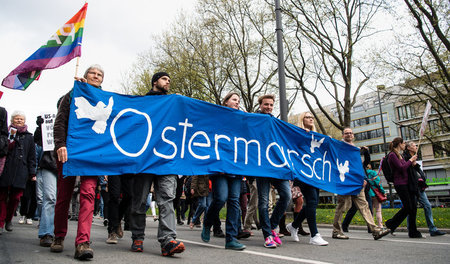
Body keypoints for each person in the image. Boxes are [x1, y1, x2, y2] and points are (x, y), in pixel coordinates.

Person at [51, 65, 105, 260]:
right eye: (93, 73)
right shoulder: (72, 95)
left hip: (91, 156)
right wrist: (60, 145)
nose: (96, 76)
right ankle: (58, 236)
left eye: (100, 75)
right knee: (64, 196)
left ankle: (82, 242)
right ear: (85, 76)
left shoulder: (105, 99)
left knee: (88, 195)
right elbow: (60, 120)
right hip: (69, 151)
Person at [128, 72, 185, 256]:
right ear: (155, 82)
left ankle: (168, 240)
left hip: (166, 159)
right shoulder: (142, 102)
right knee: (140, 199)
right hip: (145, 160)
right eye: (164, 79)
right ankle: (137, 237)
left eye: (169, 79)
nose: (168, 82)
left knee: (167, 199)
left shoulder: (173, 104)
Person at [201, 92, 246, 250]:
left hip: (235, 167)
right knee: (221, 198)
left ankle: (231, 238)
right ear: (225, 102)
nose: (237, 103)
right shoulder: (216, 118)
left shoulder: (241, 119)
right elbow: (211, 140)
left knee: (234, 201)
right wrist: (216, 162)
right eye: (234, 100)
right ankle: (208, 222)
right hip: (219, 166)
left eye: (238, 101)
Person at [331, 127, 390, 240]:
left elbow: (358, 166)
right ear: (343, 135)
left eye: (351, 133)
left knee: (364, 206)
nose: (349, 135)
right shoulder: (340, 147)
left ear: (353, 135)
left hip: (357, 182)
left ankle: (375, 230)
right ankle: (336, 231)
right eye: (346, 133)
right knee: (342, 206)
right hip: (345, 182)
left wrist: (362, 178)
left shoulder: (355, 150)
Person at [251, 95, 292, 248]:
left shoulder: (275, 122)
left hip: (277, 166)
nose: (268, 107)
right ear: (260, 105)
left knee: (286, 195)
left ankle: (272, 226)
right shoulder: (254, 119)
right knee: (263, 202)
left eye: (271, 105)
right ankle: (267, 235)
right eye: (266, 104)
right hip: (262, 167)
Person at [286, 112, 328, 246]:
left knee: (312, 202)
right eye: (308, 117)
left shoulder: (315, 136)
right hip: (303, 173)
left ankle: (294, 225)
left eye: (312, 117)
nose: (311, 119)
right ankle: (314, 235)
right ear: (302, 119)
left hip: (314, 173)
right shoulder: (298, 133)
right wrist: (301, 134)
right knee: (312, 200)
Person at [0, 111, 36, 234]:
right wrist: (10, 138)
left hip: (21, 170)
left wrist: (32, 173)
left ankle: (8, 219)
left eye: (21, 119)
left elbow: (32, 156)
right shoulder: (7, 133)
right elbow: (4, 148)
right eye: (17, 119)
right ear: (12, 120)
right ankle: (0, 222)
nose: (19, 121)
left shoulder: (29, 137)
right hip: (6, 168)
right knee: (2, 197)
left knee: (15, 198)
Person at [404, 141, 446, 236]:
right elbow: (404, 170)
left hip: (420, 186)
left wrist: (415, 165)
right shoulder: (405, 158)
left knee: (427, 206)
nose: (416, 147)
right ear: (409, 148)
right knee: (411, 208)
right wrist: (411, 162)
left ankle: (432, 229)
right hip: (412, 187)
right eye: (414, 145)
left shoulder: (415, 158)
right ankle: (410, 228)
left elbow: (417, 171)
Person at [34, 115, 58, 247]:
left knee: (59, 200)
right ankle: (46, 232)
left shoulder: (77, 123)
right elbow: (38, 141)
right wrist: (40, 127)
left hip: (66, 165)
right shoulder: (51, 124)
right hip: (50, 164)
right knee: (50, 197)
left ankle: (57, 232)